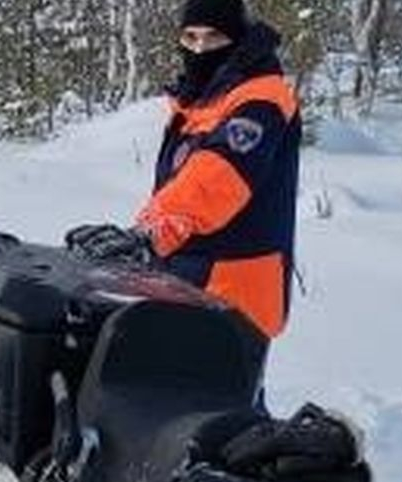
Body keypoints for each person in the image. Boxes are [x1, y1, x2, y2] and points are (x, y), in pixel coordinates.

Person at [70, 0, 300, 357]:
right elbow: (180, 183)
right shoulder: (201, 98)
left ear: (237, 39)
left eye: (212, 38)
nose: (199, 49)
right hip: (190, 277)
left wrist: (149, 237)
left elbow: (217, 177)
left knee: (218, 403)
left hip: (234, 289)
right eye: (190, 37)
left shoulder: (260, 100)